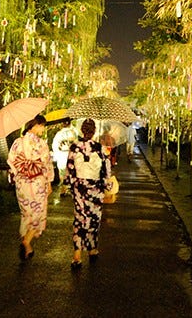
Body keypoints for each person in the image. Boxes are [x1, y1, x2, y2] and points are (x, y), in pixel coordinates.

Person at [64, 118, 112, 269]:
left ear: (82, 130)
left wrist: (69, 185)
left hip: (79, 187)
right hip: (95, 189)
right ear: (94, 132)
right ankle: (92, 249)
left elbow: (70, 169)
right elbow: (106, 171)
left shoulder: (74, 147)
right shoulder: (99, 148)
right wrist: (107, 185)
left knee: (79, 219)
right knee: (93, 220)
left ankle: (76, 255)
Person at [7, 115, 54, 261]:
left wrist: (17, 176)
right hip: (37, 183)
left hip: (22, 183)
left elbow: (11, 162)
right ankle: (27, 241)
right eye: (42, 126)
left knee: (26, 212)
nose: (43, 129)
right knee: (38, 212)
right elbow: (46, 165)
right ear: (35, 125)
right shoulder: (41, 144)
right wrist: (49, 182)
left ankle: (27, 248)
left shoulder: (17, 142)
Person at [52, 118, 78, 196]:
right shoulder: (74, 133)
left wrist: (56, 155)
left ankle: (63, 189)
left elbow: (55, 146)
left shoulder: (59, 134)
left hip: (61, 155)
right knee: (71, 172)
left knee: (62, 173)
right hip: (71, 155)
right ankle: (71, 188)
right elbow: (76, 144)